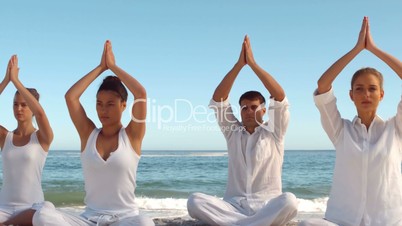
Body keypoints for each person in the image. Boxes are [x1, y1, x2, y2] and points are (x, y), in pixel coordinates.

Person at [32, 41, 154, 226]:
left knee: (145, 223)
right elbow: (71, 97)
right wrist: (100, 67)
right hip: (89, 219)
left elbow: (141, 94)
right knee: (43, 216)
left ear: (123, 105)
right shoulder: (87, 134)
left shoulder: (132, 136)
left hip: (125, 219)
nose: (103, 110)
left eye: (110, 104)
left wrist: (113, 66)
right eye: (99, 103)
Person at [299, 17, 402, 226]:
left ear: (381, 94)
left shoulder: (395, 129)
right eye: (359, 89)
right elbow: (323, 85)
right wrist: (356, 49)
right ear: (351, 95)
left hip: (388, 221)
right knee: (306, 224)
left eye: (372, 88)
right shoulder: (341, 130)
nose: (366, 94)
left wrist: (373, 49)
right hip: (342, 221)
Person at [187, 35, 297, 226]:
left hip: (267, 205)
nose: (248, 111)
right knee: (194, 201)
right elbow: (218, 99)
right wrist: (239, 65)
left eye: (254, 107)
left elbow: (279, 97)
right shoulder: (232, 131)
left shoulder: (274, 132)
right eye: (244, 108)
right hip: (233, 206)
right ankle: (253, 224)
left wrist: (253, 64)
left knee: (290, 201)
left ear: (264, 109)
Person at [0, 55, 53, 225]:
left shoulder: (42, 138)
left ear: (33, 106)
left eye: (24, 104)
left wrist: (16, 81)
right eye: (15, 104)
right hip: (3, 208)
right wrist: (6, 80)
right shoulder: (5, 137)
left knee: (46, 213)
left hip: (32, 208)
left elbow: (41, 114)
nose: (19, 108)